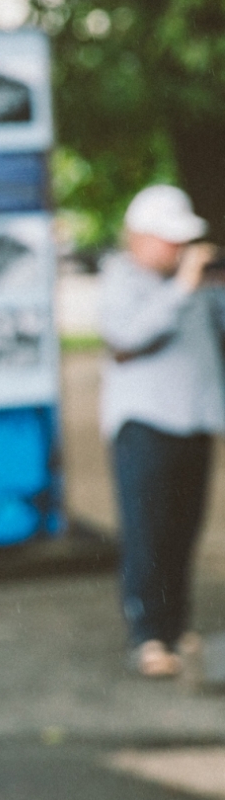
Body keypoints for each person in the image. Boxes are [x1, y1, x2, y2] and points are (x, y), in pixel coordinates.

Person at [99, 184, 223, 678]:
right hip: (144, 426)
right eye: (169, 240)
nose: (178, 250)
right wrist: (182, 289)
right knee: (148, 531)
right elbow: (128, 336)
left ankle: (176, 627)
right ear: (140, 237)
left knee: (183, 528)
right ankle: (148, 635)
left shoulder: (194, 283)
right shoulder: (120, 279)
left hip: (196, 419)